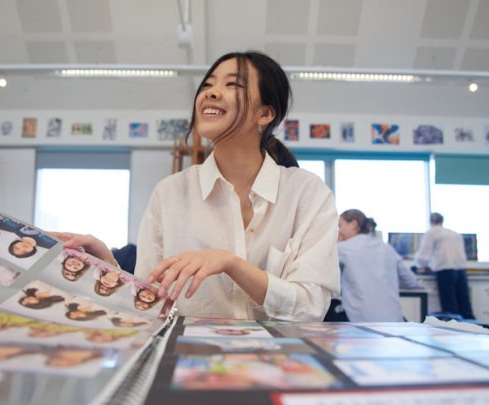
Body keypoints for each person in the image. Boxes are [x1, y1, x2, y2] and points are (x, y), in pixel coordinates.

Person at [51, 51, 339, 321]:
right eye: (208, 84)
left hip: (281, 365)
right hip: (191, 363)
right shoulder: (170, 192)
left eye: (232, 85)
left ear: (264, 114)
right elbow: (149, 300)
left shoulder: (307, 193)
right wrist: (108, 264)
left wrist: (231, 263)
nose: (210, 92)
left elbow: (311, 305)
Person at [337, 209, 422, 322]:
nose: (339, 231)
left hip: (361, 322)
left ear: (353, 224)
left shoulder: (342, 248)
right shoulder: (386, 248)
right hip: (393, 321)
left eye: (340, 226)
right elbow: (411, 281)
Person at [415, 212, 475, 320]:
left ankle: (454, 334)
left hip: (445, 271)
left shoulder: (431, 233)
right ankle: (472, 332)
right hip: (461, 272)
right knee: (465, 307)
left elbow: (423, 257)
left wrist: (421, 266)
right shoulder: (455, 234)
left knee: (450, 309)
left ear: (431, 221)